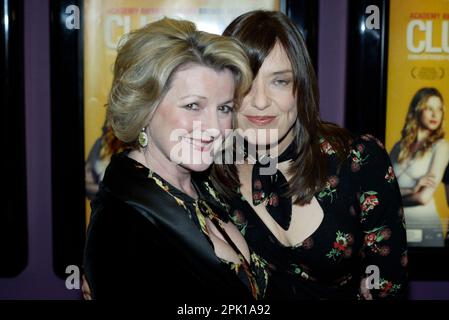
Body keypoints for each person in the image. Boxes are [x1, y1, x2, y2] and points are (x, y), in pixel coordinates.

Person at [206, 10, 408, 300]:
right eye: (245, 82)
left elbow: (387, 285)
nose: (260, 101)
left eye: (280, 81)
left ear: (301, 86)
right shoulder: (208, 172)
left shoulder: (359, 160)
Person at [83, 17, 270, 300]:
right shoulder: (122, 221)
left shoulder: (199, 184)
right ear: (144, 108)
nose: (214, 128)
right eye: (193, 105)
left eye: (224, 108)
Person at [390, 88, 449, 247]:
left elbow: (423, 198)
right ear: (417, 109)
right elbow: (385, 191)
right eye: (429, 108)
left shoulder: (441, 147)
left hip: (425, 230)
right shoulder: (397, 147)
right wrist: (413, 189)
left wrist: (395, 197)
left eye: (439, 109)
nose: (435, 114)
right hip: (397, 230)